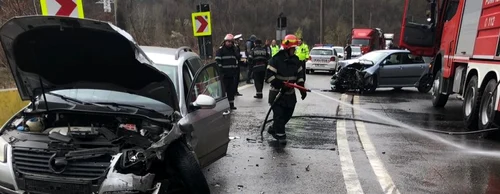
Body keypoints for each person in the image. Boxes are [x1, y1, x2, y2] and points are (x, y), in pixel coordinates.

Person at [265, 34, 306, 144]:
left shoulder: (296, 60)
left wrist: (302, 89)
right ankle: (280, 136)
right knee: (279, 115)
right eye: (293, 48)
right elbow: (268, 77)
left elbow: (300, 76)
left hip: (290, 94)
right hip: (277, 93)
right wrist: (281, 84)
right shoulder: (276, 60)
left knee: (288, 114)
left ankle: (274, 128)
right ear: (287, 49)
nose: (294, 50)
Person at [215, 34, 240, 110]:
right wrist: (221, 72)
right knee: (223, 91)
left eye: (231, 42)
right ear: (225, 42)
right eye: (228, 42)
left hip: (232, 75)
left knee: (231, 91)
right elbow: (218, 62)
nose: (229, 43)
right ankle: (222, 106)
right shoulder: (221, 50)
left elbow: (237, 59)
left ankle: (231, 105)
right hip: (224, 75)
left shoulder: (233, 50)